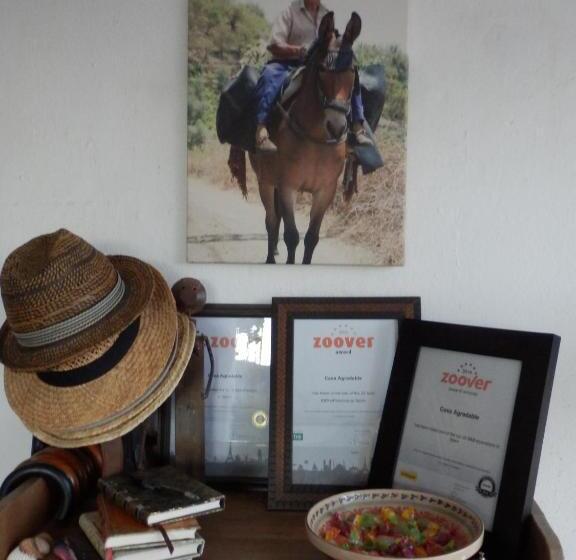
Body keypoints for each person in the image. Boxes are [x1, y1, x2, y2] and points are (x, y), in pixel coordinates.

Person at [254, 0, 372, 152]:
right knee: (269, 75)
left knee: (350, 74)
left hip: (316, 64)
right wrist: (299, 51)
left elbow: (330, 42)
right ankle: (261, 128)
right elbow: (274, 45)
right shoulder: (289, 13)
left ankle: (357, 126)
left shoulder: (326, 13)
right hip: (287, 64)